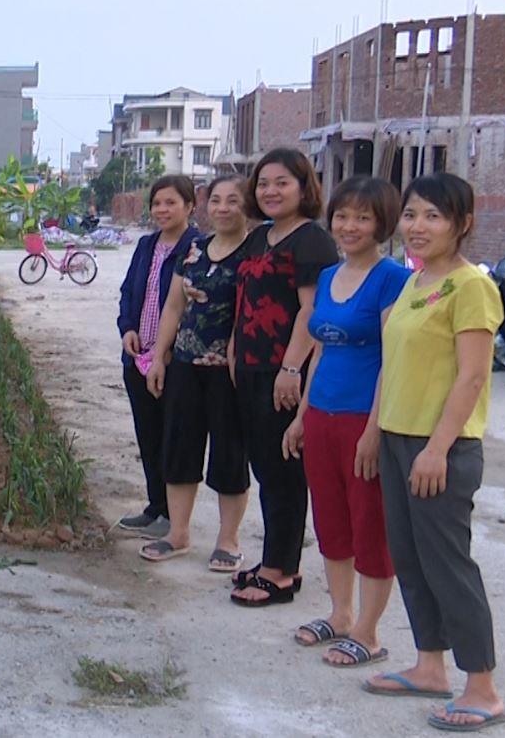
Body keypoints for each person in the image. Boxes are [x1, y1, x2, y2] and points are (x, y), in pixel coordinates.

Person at [363, 174, 505, 732]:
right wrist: (375, 431)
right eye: (411, 214)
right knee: (411, 557)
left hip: (440, 446)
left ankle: (482, 687)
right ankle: (429, 666)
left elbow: (471, 377)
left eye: (433, 216)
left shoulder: (471, 287)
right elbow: (393, 364)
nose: (418, 227)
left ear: (462, 224)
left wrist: (437, 449)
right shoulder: (416, 281)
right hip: (398, 438)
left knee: (448, 565)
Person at [282, 177, 409, 663]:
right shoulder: (329, 275)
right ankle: (340, 614)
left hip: (363, 420)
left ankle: (368, 633)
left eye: (362, 217)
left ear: (382, 224)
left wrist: (374, 431)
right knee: (331, 520)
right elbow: (320, 351)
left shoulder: (391, 278)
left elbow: (393, 361)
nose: (349, 226)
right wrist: (302, 416)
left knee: (369, 524)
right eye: (342, 216)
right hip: (322, 416)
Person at [229, 148, 338, 607]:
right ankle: (274, 559)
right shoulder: (259, 237)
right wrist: (234, 350)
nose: (270, 191)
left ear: (303, 187)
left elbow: (310, 310)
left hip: (285, 373)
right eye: (263, 183)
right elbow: (245, 298)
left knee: (283, 472)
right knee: (264, 467)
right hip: (250, 367)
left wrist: (291, 368)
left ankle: (282, 571)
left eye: (282, 183)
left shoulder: (312, 240)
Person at [142, 175, 250, 570]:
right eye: (216, 200)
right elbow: (174, 306)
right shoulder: (195, 249)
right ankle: (178, 534)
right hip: (185, 366)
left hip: (230, 373)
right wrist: (159, 356)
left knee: (229, 456)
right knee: (180, 449)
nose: (222, 208)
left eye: (232, 200)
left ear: (247, 206)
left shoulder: (254, 254)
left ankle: (228, 539)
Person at [115, 175, 200, 540]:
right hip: (139, 357)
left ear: (189, 206)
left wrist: (166, 351)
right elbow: (128, 292)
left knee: (174, 438)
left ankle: (173, 516)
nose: (162, 210)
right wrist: (127, 328)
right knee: (148, 435)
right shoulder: (146, 245)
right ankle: (155, 506)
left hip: (175, 362)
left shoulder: (197, 248)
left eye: (171, 203)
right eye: (157, 203)